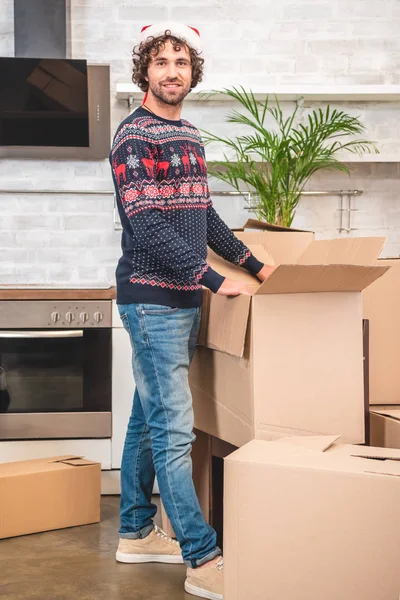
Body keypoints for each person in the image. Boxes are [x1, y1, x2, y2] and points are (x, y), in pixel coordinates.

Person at [110, 22, 274, 600]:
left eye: (182, 60)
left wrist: (254, 263)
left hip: (177, 302)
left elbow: (201, 217)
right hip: (151, 299)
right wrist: (212, 279)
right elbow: (147, 225)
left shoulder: (191, 136)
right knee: (175, 432)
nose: (173, 70)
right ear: (145, 72)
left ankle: (134, 531)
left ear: (193, 72)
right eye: (161, 61)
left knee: (148, 420)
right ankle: (202, 560)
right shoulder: (134, 137)